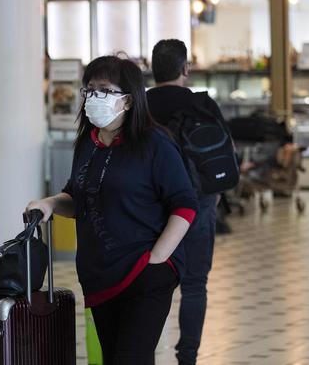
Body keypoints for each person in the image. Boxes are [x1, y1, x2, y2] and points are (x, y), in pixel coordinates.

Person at [27, 55, 198, 364]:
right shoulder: (88, 143)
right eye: (89, 89)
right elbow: (78, 197)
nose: (93, 97)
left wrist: (157, 258)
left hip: (145, 273)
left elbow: (184, 205)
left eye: (104, 90)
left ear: (129, 100)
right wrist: (50, 204)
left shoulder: (154, 144)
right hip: (100, 274)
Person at [146, 39, 224, 365]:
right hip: (196, 205)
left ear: (152, 69)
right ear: (185, 69)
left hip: (148, 209)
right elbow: (222, 159)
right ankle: (187, 357)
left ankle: (139, 351)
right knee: (194, 285)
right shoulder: (202, 105)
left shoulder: (140, 105)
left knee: (148, 287)